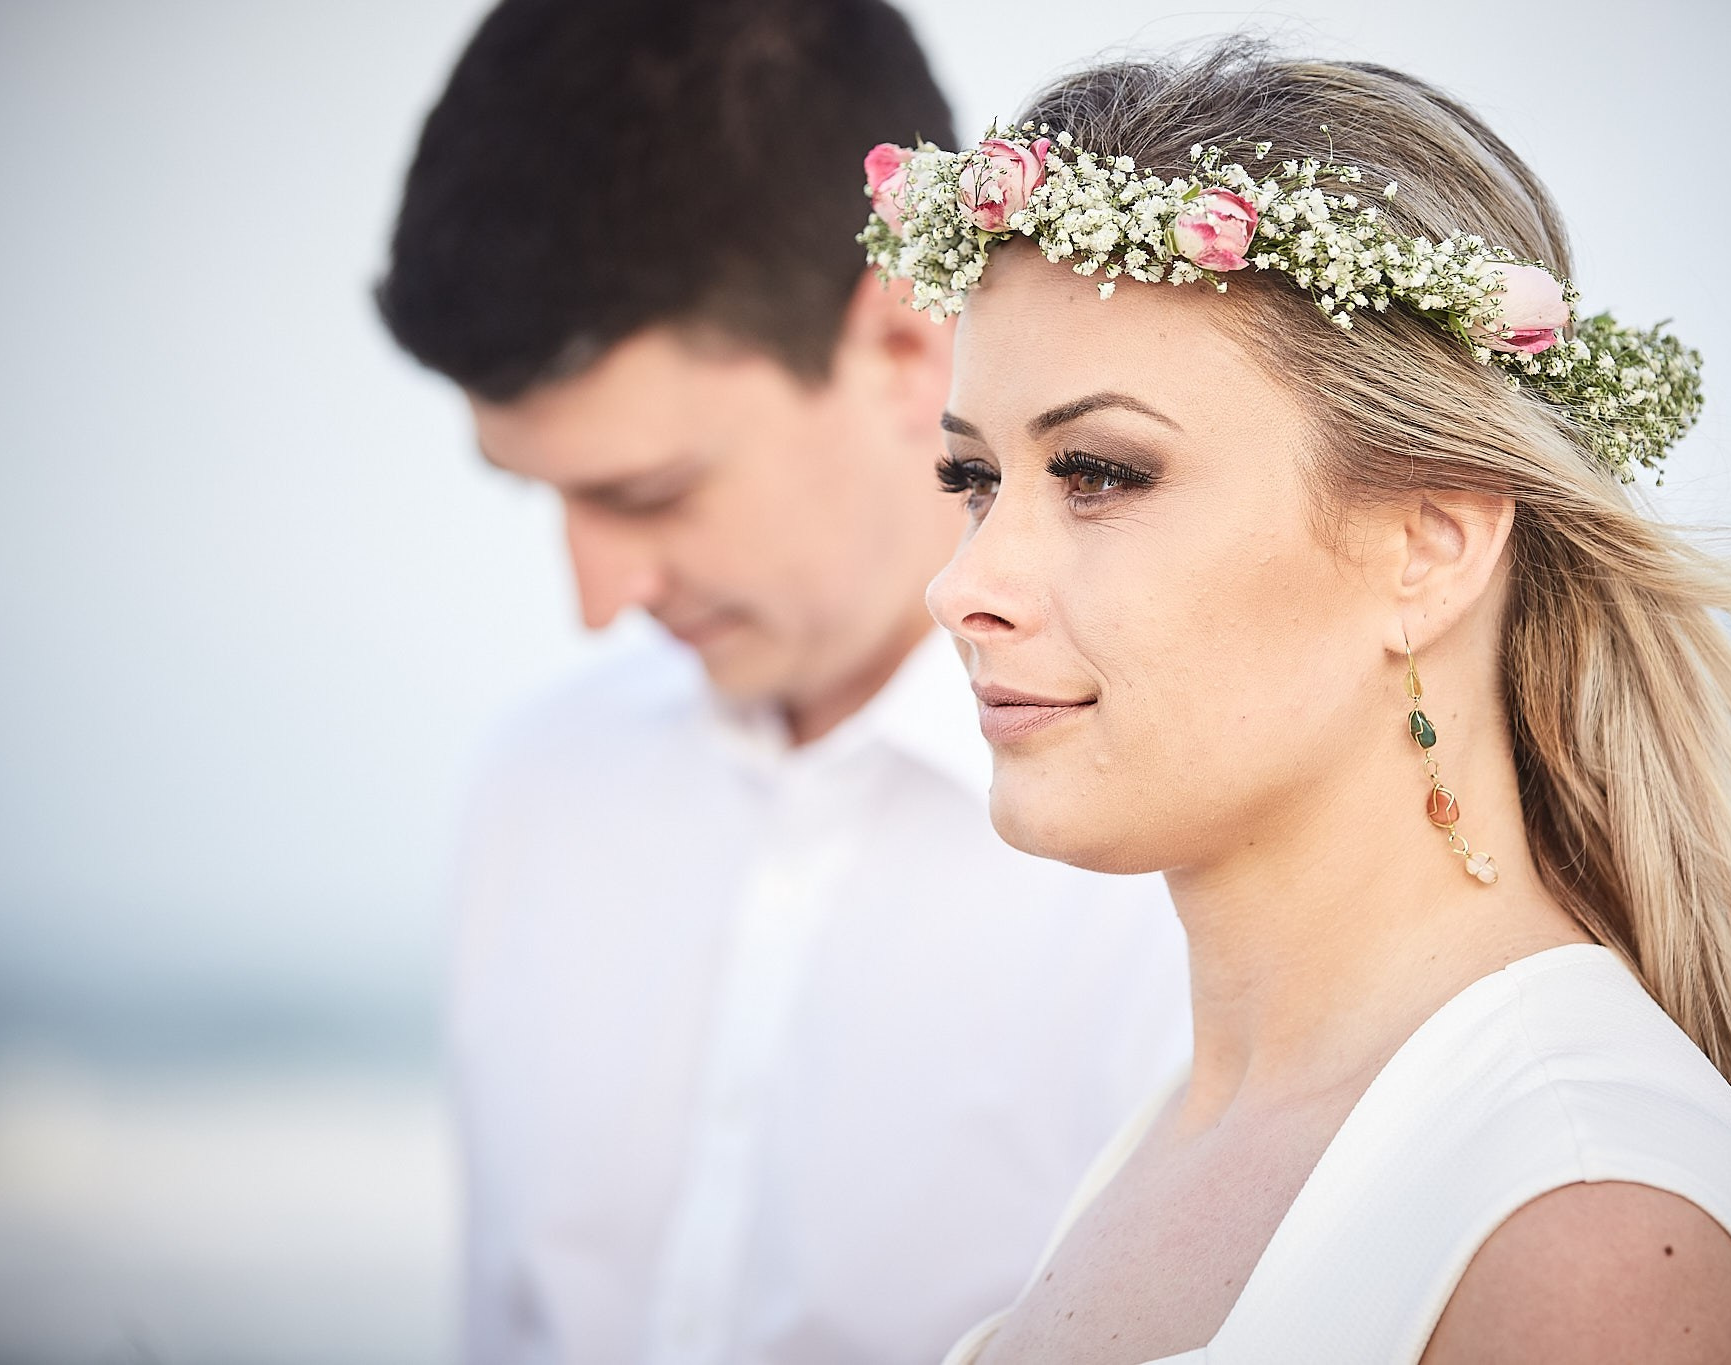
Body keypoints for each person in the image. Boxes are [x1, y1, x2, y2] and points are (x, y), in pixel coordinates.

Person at [858, 43, 1731, 1365]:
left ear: (1427, 545)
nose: (967, 585)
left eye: (1102, 473)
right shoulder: (1198, 1123)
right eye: (974, 478)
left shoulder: (1584, 1237)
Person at [373, 2, 1192, 1361]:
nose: (598, 601)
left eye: (650, 492)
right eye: (548, 500)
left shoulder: (1170, 872)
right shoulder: (537, 791)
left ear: (902, 344)